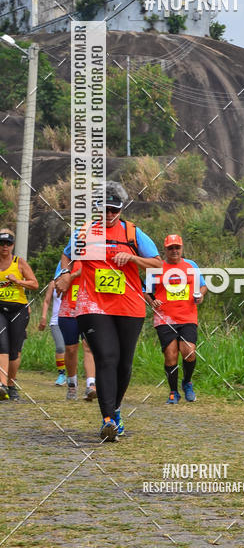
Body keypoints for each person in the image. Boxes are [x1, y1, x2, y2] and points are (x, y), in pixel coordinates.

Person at [55, 182, 161, 441]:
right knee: (106, 357)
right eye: (105, 209)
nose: (110, 215)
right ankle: (107, 420)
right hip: (93, 304)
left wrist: (134, 258)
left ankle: (115, 410)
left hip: (130, 305)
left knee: (124, 364)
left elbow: (157, 263)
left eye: (114, 210)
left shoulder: (133, 233)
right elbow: (67, 256)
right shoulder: (84, 232)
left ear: (121, 210)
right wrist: (66, 274)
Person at [146, 234, 206, 403]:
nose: (174, 251)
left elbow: (202, 285)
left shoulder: (191, 265)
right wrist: (152, 301)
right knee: (171, 355)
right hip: (164, 317)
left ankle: (187, 382)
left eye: (177, 247)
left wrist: (200, 295)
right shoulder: (157, 267)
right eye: (170, 248)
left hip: (187, 316)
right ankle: (173, 391)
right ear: (165, 250)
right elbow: (147, 291)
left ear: (182, 248)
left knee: (189, 352)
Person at [0, 228, 39, 401]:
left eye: (8, 243)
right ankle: (1, 385)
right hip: (0, 309)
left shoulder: (19, 262)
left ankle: (10, 385)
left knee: (15, 350)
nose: (4, 247)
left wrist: (17, 281)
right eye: (1, 244)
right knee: (2, 345)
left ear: (13, 245)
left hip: (18, 310)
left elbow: (34, 284)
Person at [53, 260, 97, 401]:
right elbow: (58, 285)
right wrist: (74, 275)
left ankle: (91, 385)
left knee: (89, 346)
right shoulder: (66, 262)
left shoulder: (96, 258)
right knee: (71, 349)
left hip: (90, 309)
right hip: (69, 311)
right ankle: (72, 383)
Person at [38, 278, 67, 385]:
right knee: (60, 347)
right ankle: (62, 374)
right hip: (56, 321)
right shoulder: (53, 283)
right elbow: (46, 301)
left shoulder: (75, 280)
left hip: (72, 318)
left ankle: (74, 375)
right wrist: (43, 317)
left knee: (72, 349)